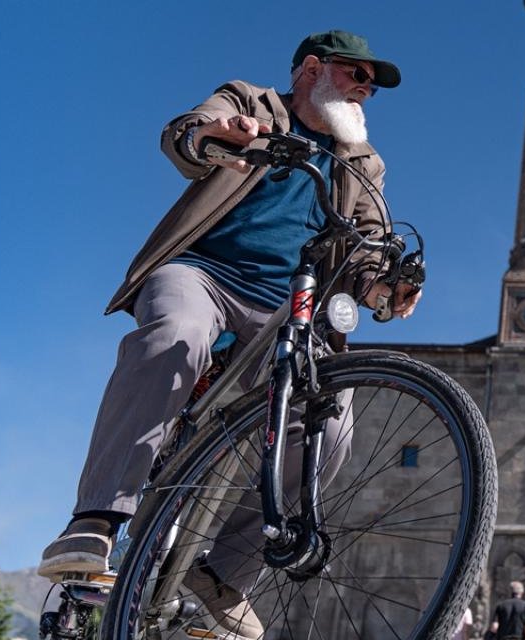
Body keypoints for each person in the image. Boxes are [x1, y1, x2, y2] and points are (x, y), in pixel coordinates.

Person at [35, 29, 417, 639]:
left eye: (371, 84)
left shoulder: (363, 163)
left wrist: (385, 287)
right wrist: (213, 136)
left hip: (289, 311)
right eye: (355, 75)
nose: (365, 91)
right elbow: (189, 133)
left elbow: (370, 246)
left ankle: (221, 576)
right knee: (176, 334)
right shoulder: (252, 103)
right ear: (311, 70)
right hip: (205, 275)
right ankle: (97, 520)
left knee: (332, 421)